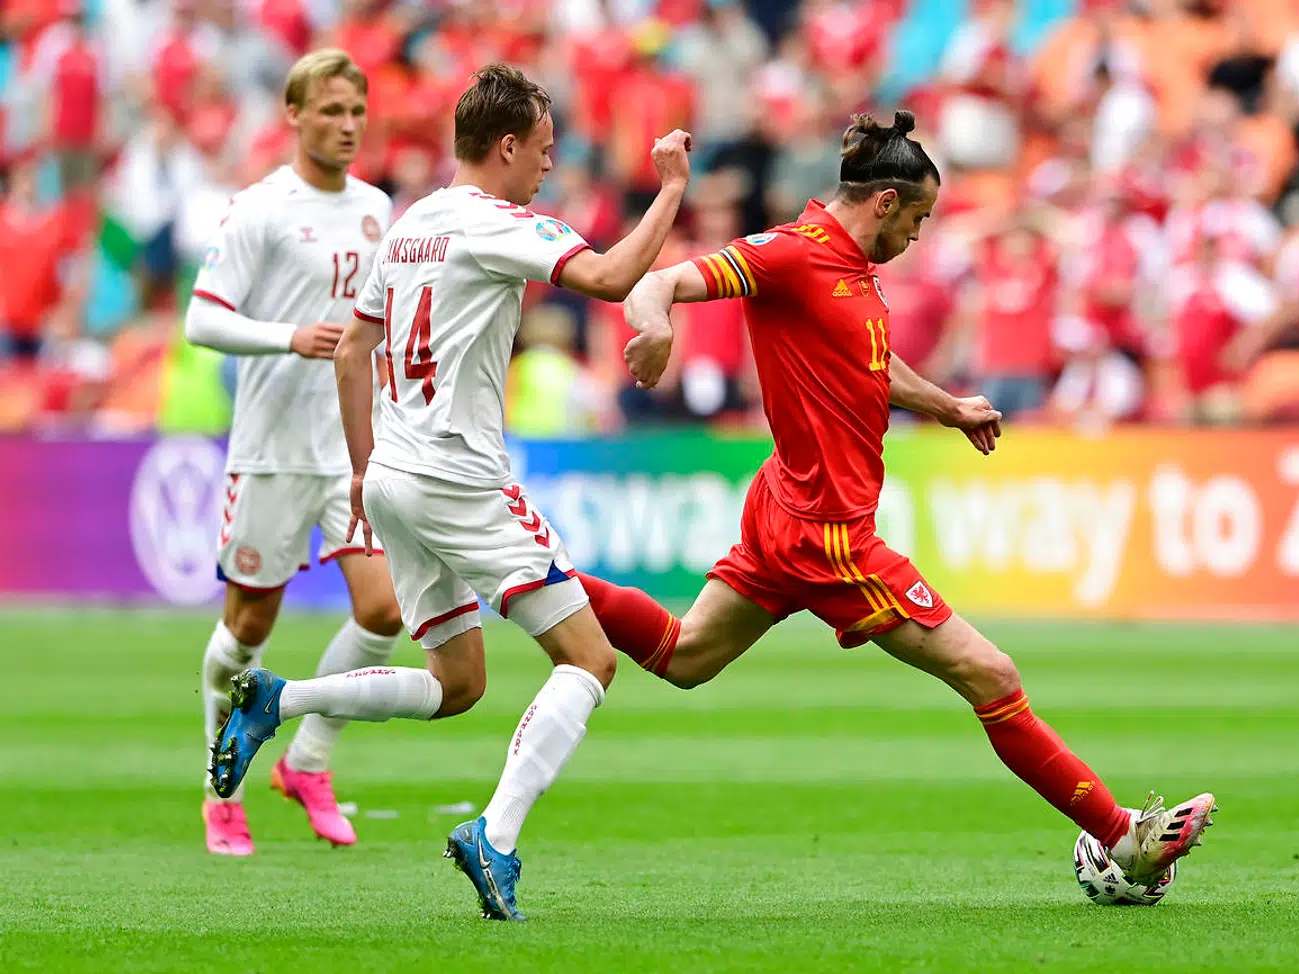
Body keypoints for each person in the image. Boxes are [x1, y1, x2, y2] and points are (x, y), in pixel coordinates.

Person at [584, 111, 1215, 890]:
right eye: (917, 218)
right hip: (829, 533)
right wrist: (653, 330)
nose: (918, 236)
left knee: (685, 658)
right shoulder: (794, 253)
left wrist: (948, 406)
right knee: (993, 675)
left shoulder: (849, 269)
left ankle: (531, 572)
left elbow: (869, 364)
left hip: (783, 504)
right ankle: (1125, 839)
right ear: (884, 201)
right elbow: (658, 280)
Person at [209, 63, 693, 921]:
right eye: (543, 151)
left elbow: (354, 351)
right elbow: (614, 280)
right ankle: (494, 839)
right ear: (506, 146)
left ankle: (284, 699)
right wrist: (670, 190)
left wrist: (363, 471)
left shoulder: (409, 223)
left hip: (394, 475)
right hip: (460, 478)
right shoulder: (495, 224)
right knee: (591, 660)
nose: (549, 165)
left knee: (457, 682)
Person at [184, 49, 399, 857]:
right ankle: (222, 787)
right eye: (331, 112)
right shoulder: (260, 209)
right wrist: (287, 337)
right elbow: (202, 319)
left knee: (383, 611)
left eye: (356, 113)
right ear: (294, 115)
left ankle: (308, 762)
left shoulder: (379, 208)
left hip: (352, 445)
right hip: (271, 450)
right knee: (247, 628)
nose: (346, 127)